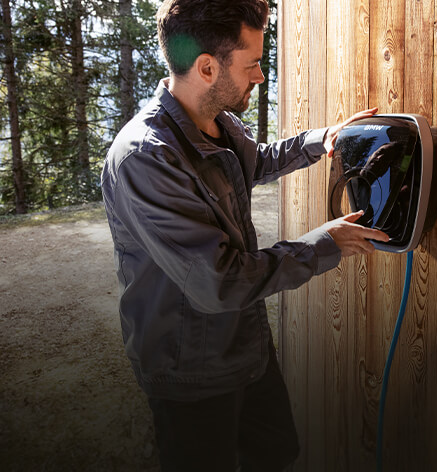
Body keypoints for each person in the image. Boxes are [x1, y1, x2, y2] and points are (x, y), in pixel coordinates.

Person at [100, 0, 388, 470]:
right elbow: (220, 283)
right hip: (188, 371)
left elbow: (257, 160)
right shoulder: (146, 159)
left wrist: (325, 138)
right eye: (253, 63)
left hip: (246, 349)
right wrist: (325, 243)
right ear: (208, 67)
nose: (260, 76)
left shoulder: (215, 123)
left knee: (276, 454)